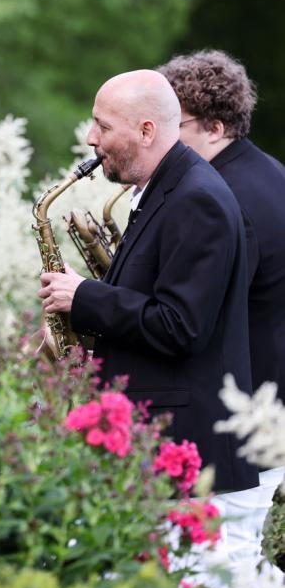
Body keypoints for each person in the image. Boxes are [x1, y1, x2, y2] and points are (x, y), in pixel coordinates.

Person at [38, 69, 258, 492]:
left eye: (103, 125)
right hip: (164, 445)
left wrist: (84, 297)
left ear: (146, 130)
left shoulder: (196, 199)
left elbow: (181, 327)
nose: (90, 137)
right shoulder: (168, 188)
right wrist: (81, 297)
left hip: (187, 455)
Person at [158, 50, 285, 401]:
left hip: (255, 401)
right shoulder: (268, 169)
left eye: (174, 126)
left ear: (215, 128)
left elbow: (195, 320)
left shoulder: (221, 197)